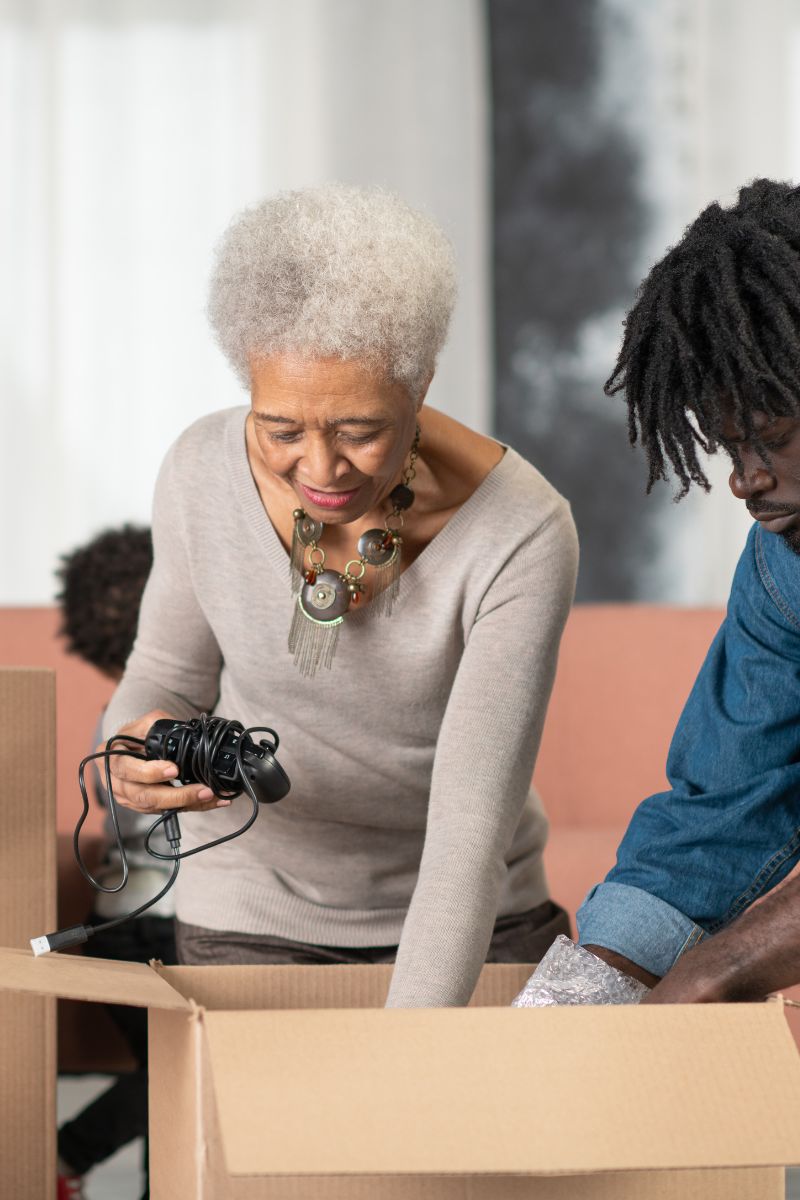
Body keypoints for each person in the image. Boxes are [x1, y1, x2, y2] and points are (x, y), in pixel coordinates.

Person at [101, 184, 578, 1007]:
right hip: (252, 911)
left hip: (481, 918)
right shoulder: (198, 472)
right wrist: (130, 755)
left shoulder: (523, 532)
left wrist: (399, 1060)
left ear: (420, 382)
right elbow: (161, 681)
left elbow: (468, 838)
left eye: (360, 430)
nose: (320, 471)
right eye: (280, 429)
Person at [574, 178, 800, 1003]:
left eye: (772, 439)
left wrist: (715, 972)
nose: (745, 480)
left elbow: (716, 972)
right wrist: (590, 989)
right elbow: (720, 817)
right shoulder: (784, 565)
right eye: (729, 446)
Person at [55, 525, 176, 1200]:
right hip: (169, 926)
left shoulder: (115, 713)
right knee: (184, 1069)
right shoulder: (180, 714)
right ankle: (64, 1153)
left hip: (117, 921)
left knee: (172, 1072)